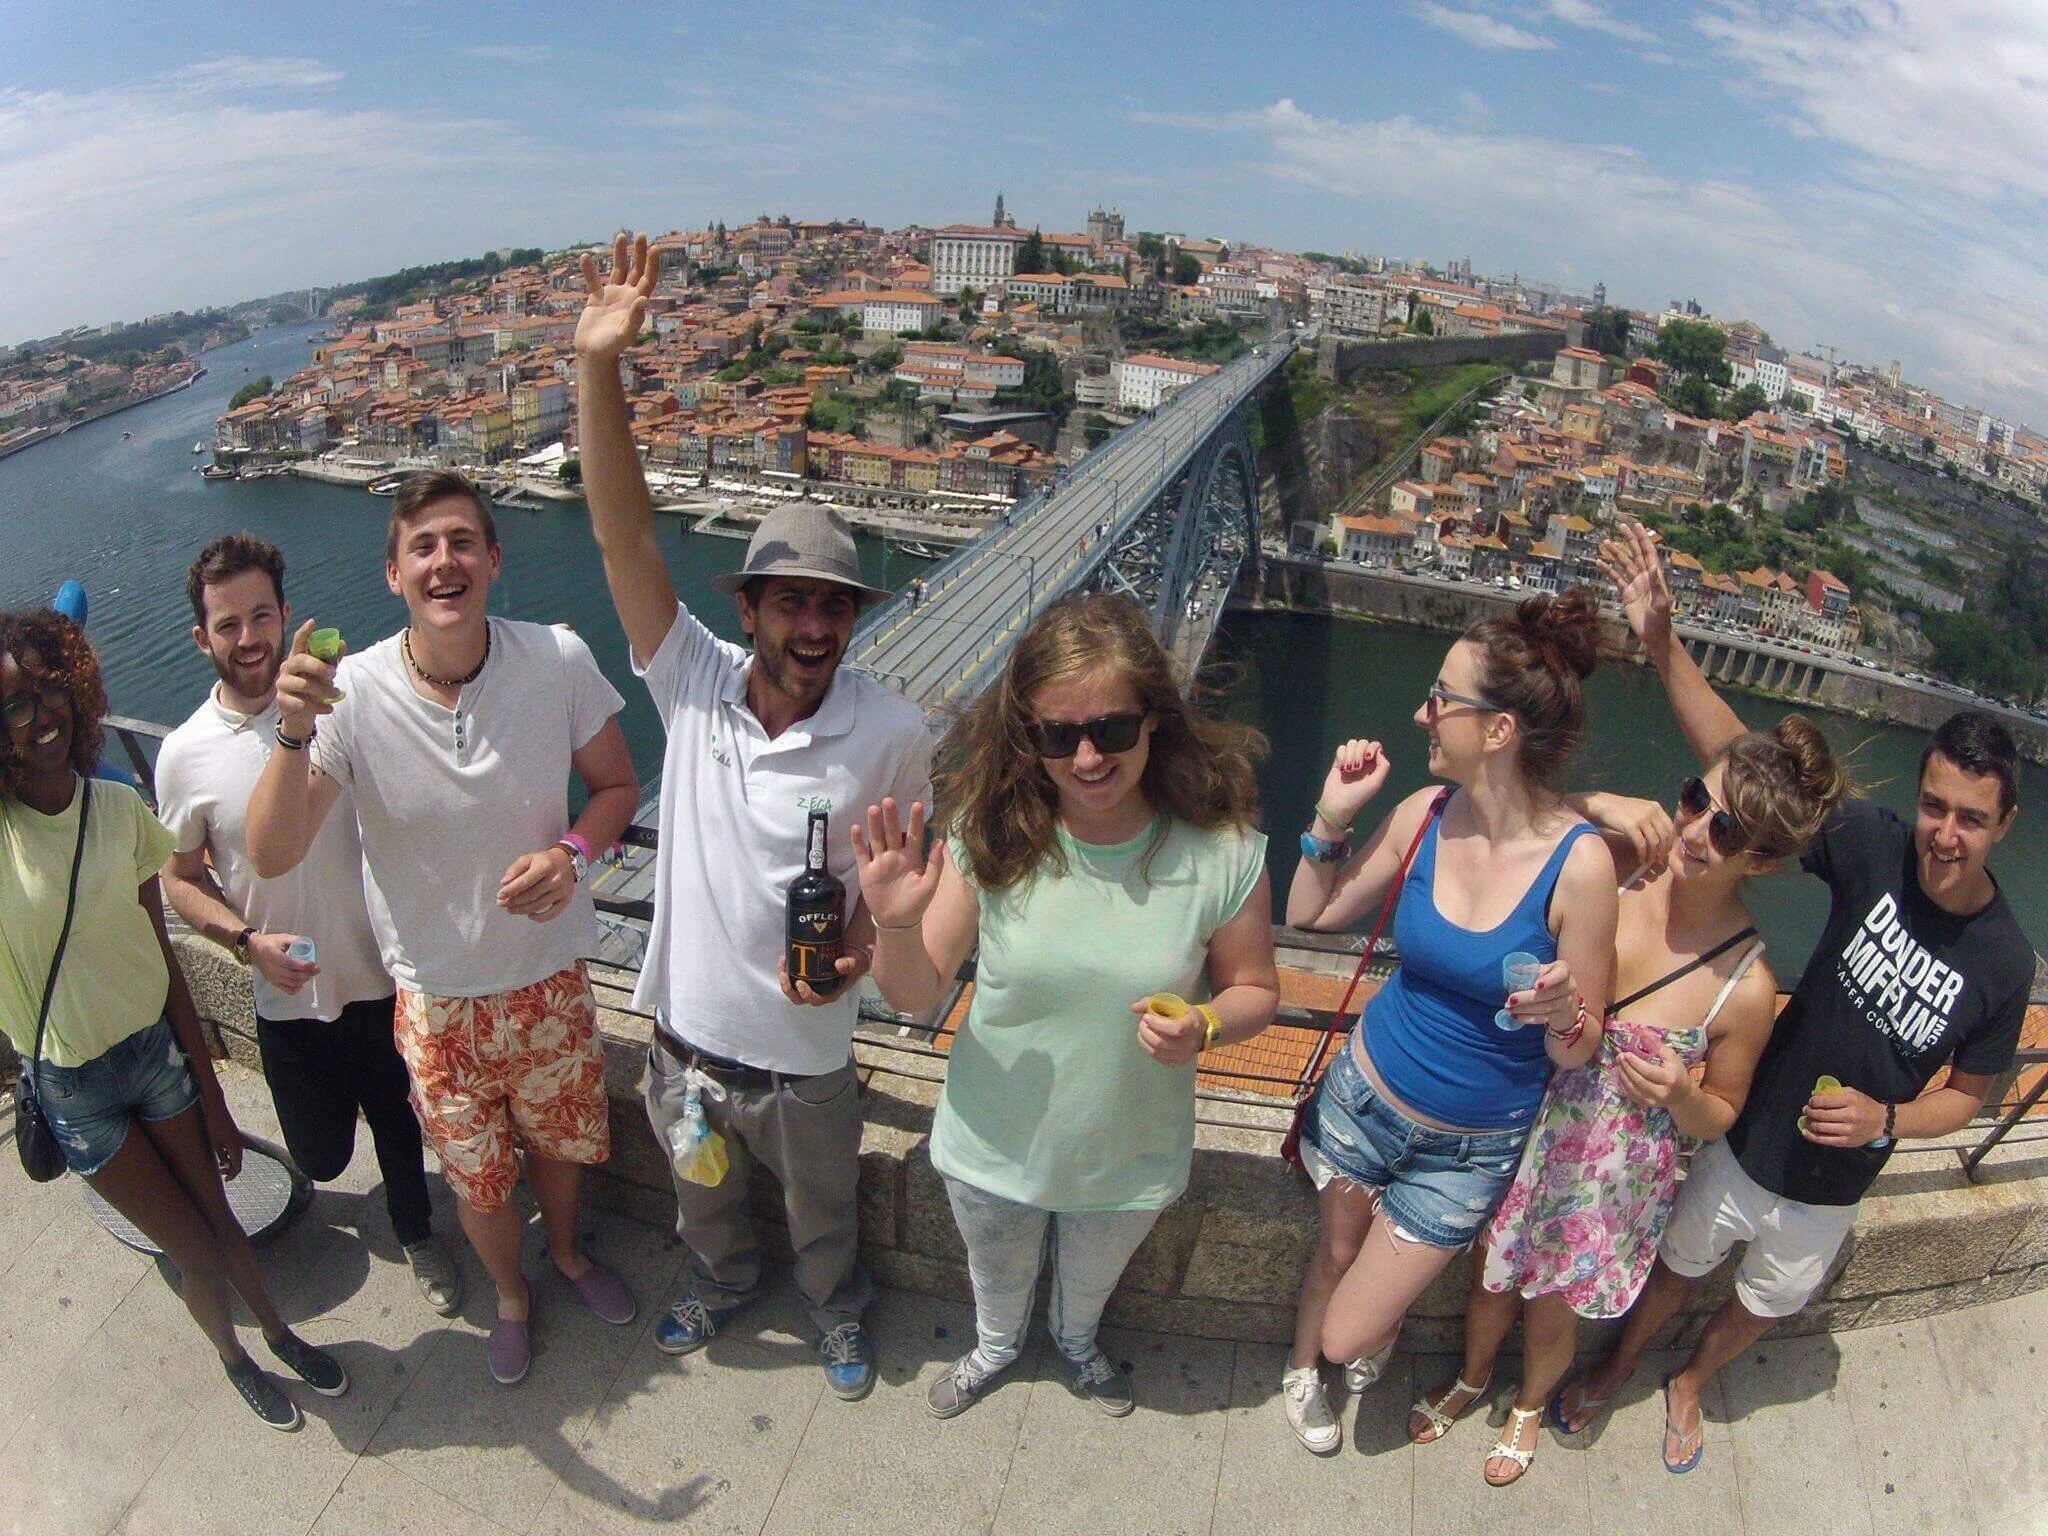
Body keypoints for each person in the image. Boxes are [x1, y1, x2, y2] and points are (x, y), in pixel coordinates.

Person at [1573, 520, 2033, 1474]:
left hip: (1834, 1185)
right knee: (1679, 1266)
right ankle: (1620, 1363)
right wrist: (1662, 645)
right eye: (1938, 806)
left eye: (1972, 819)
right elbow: (1744, 771)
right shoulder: (1874, 846)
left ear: (2006, 825)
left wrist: (1891, 1118)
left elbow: (1974, 1097)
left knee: (1762, 1301)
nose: (1945, 835)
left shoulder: (2005, 961)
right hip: (1749, 1136)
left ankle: (1690, 1384)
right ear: (1922, 793)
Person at [574, 234, 931, 1401]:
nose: (815, 627)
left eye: (833, 607)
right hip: (683, 1042)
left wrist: (858, 962)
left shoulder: (891, 732)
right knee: (699, 1191)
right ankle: (720, 1281)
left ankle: (834, 1309)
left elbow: (900, 895)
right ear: (752, 607)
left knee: (826, 1211)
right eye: (793, 603)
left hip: (811, 1057)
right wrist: (598, 371)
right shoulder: (691, 682)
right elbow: (624, 535)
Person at [246, 470, 640, 1387]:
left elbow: (617, 786)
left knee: (559, 1149)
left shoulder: (558, 658)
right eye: (422, 546)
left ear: (494, 559)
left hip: (548, 975)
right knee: (479, 1182)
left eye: (462, 540)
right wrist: (292, 732)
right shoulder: (351, 696)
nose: (444, 561)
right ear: (394, 575)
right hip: (435, 1002)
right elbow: (271, 852)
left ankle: (570, 1256)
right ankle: (511, 1293)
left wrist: (574, 855)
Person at [857, 592, 1279, 1419]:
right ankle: (997, 1346)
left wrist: (1206, 1025)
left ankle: (1076, 1341)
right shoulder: (990, 835)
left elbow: (1257, 989)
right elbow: (913, 994)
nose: (1087, 757)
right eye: (1058, 735)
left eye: (1112, 728)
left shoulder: (1224, 853)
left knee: (1089, 1286)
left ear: (1153, 720)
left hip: (1130, 1151)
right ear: (1028, 739)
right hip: (991, 1141)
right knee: (995, 1275)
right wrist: (894, 921)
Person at [1432, 715, 1846, 1485]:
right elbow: (1519, 819)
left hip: (1612, 1174)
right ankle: (1471, 1376)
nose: (1693, 829)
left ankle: (1526, 1407)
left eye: (1724, 831)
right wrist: (1595, 802)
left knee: (1552, 1310)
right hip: (1523, 1119)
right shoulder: (1624, 864)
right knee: (1489, 1273)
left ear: (1759, 860)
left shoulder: (1744, 983)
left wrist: (1684, 1095)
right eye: (1695, 799)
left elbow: (1723, 1110)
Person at [1279, 588, 1619, 1456]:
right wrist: (1330, 816)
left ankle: (1344, 1343)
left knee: (1351, 1332)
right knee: (1332, 1253)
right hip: (1364, 1096)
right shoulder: (1422, 816)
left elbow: (1579, 1053)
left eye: (1442, 699)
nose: (1422, 713)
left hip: (1468, 1148)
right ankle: (1296, 1367)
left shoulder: (1581, 869)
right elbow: (1312, 914)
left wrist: (1564, 1012)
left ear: (1498, 730)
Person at [0, 607, 347, 1430]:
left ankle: (278, 1333)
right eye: (15, 704)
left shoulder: (119, 812)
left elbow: (160, 959)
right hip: (72, 1087)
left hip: (157, 1059)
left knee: (223, 1223)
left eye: (51, 691)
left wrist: (216, 1095)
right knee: (190, 1248)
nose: (42, 716)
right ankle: (234, 1357)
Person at [156, 534, 462, 1317]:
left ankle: (418, 1232)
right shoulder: (184, 756)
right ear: (201, 637)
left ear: (287, 616)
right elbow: (178, 879)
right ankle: (333, 1180)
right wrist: (243, 945)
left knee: (399, 1132)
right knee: (321, 1158)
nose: (250, 638)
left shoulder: (349, 705)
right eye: (228, 625)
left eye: (262, 615)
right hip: (286, 1001)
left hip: (382, 978)